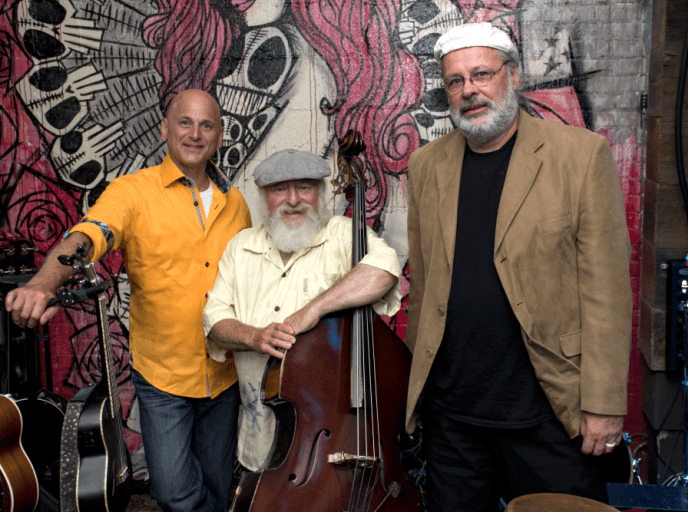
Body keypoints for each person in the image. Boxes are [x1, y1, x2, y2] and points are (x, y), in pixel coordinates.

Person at [404, 22, 632, 510]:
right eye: (456, 81)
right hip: (453, 419)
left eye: (481, 74)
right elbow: (422, 287)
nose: (469, 90)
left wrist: (604, 404)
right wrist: (418, 398)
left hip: (550, 414)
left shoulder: (579, 155)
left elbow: (607, 292)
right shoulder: (425, 166)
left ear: (513, 75)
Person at [5, 89, 252, 512]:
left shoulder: (236, 203)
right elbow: (90, 234)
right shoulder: (132, 192)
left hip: (225, 374)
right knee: (173, 492)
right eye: (185, 122)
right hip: (163, 376)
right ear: (165, 129)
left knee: (216, 486)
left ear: (219, 136)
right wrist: (44, 283)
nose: (194, 134)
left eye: (206, 125)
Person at [203, 148, 402, 473]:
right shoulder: (240, 246)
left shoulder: (342, 235)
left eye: (304, 187)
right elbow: (214, 321)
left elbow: (385, 268)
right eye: (279, 189)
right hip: (259, 435)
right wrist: (254, 337)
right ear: (264, 196)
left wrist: (315, 308)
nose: (293, 200)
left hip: (330, 439)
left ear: (320, 192)